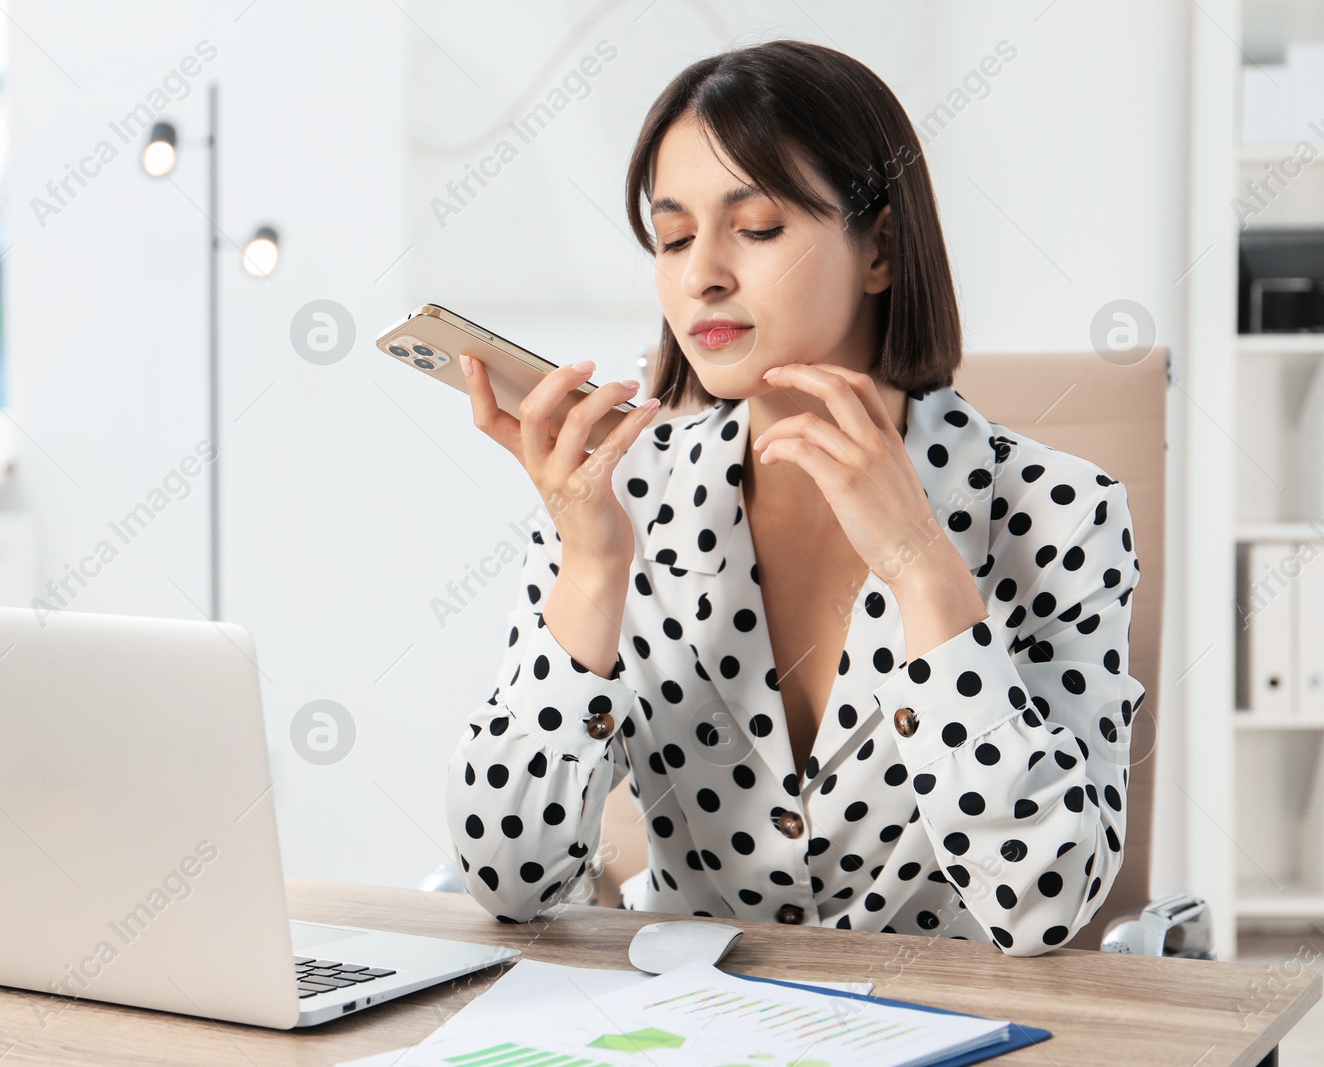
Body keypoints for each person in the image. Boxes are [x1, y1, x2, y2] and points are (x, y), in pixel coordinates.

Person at [444, 39, 1145, 957]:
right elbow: (506, 878)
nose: (702, 276)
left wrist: (921, 567)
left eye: (759, 226)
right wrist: (592, 566)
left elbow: (1044, 901)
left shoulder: (1062, 512)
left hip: (957, 1031)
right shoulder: (623, 499)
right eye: (675, 236)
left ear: (881, 249)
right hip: (692, 1028)